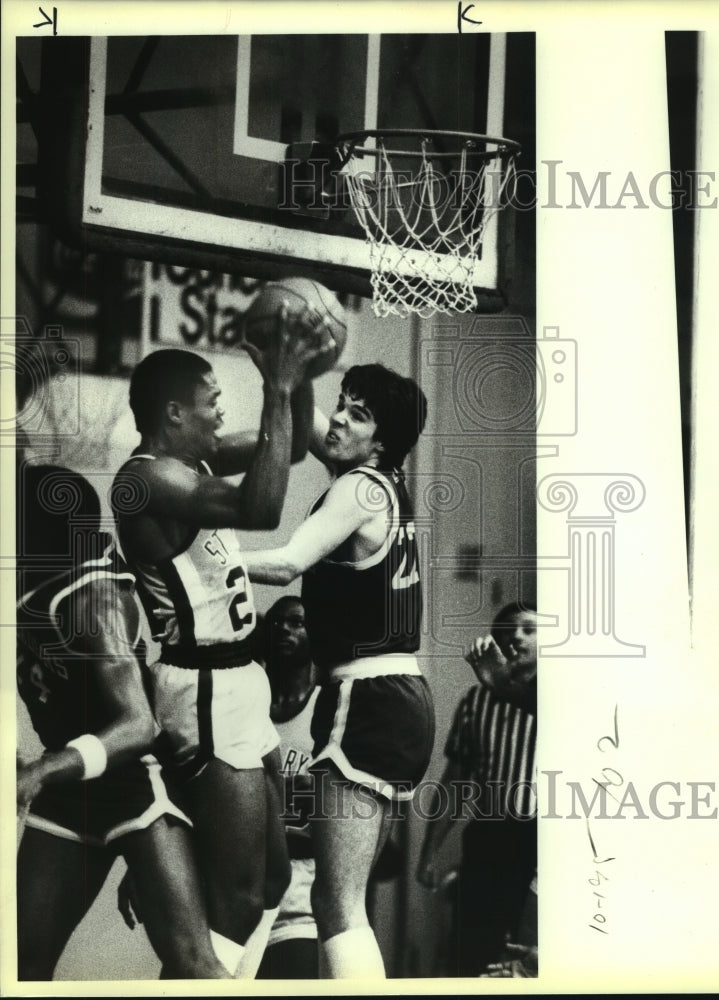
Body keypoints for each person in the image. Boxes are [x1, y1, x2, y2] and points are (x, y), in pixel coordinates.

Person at [111, 310, 330, 976]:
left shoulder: (191, 457)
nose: (219, 412)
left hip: (240, 683)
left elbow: (285, 449)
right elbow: (257, 509)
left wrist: (300, 377)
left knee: (267, 883)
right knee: (236, 901)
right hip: (202, 689)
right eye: (211, 403)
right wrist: (279, 387)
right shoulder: (148, 479)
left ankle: (183, 924)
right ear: (174, 414)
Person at [244, 362, 434, 979]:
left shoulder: (356, 489)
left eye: (359, 413)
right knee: (343, 903)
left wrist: (207, 557)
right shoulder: (383, 483)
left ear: (380, 439)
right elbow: (311, 425)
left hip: (368, 694)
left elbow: (288, 563)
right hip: (400, 696)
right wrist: (294, 367)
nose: (342, 419)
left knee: (336, 901)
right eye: (343, 403)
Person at [16, 463, 227, 980]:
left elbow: (139, 725)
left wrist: (40, 771)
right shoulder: (32, 586)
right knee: (21, 968)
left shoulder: (93, 598)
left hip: (135, 782)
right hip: (73, 789)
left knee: (195, 964)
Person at [417, 602, 538, 977]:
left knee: (527, 952)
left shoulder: (564, 696)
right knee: (474, 954)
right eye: (504, 633)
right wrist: (430, 851)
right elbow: (455, 782)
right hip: (489, 839)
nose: (515, 637)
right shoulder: (476, 701)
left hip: (543, 843)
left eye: (528, 630)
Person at [251, 596, 321, 980]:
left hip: (302, 884)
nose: (284, 630)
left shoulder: (327, 705)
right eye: (277, 623)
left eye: (296, 622)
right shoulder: (248, 702)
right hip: (244, 875)